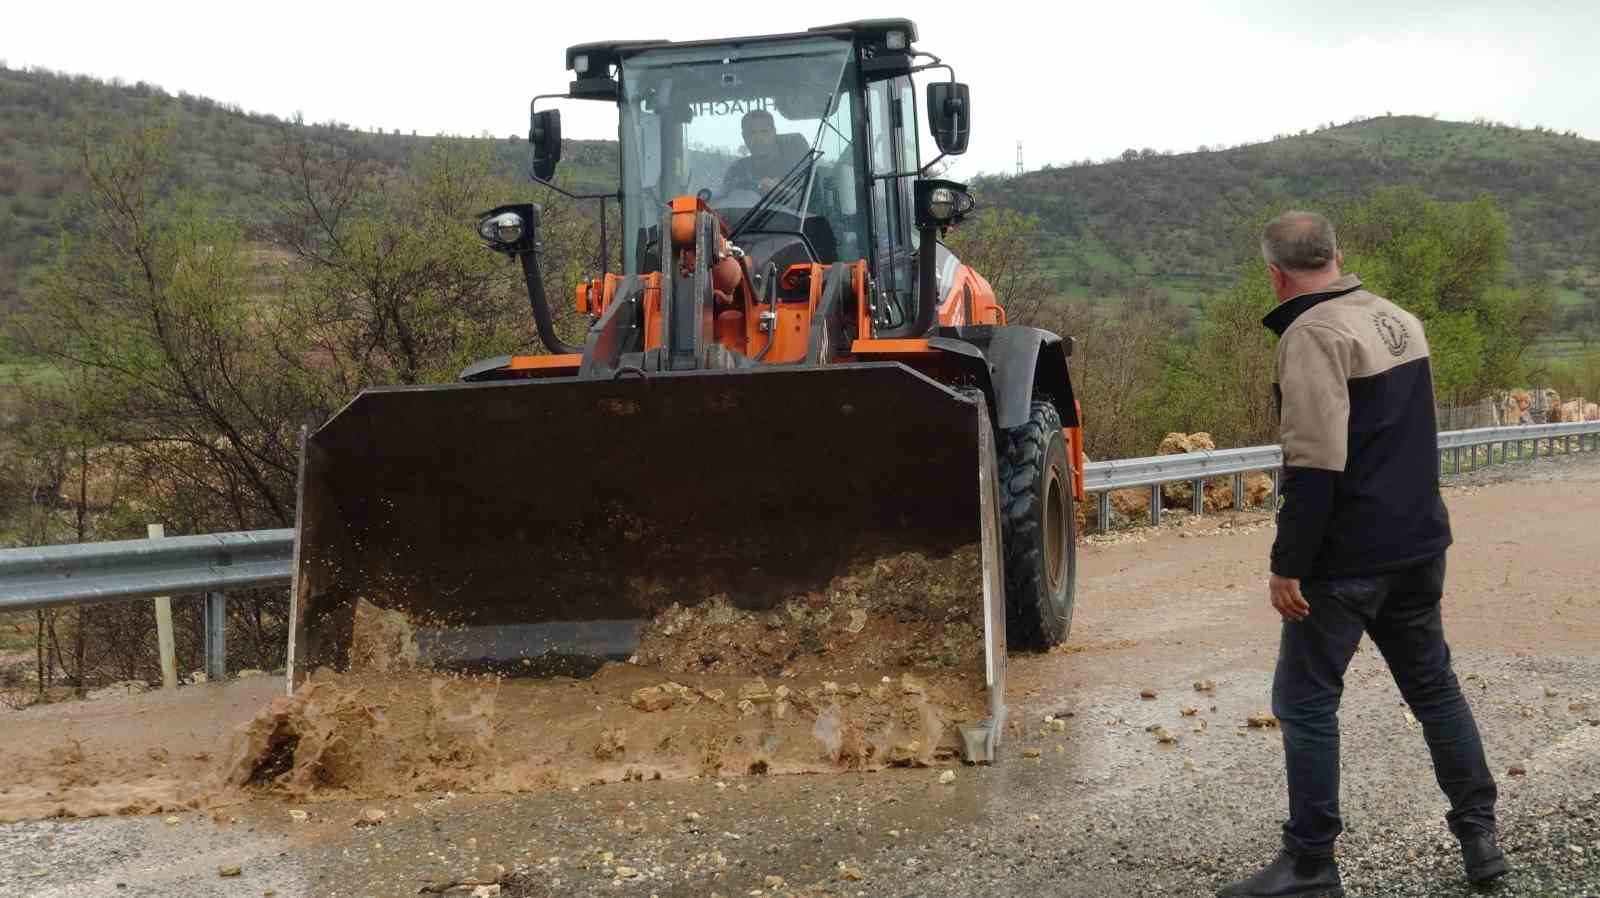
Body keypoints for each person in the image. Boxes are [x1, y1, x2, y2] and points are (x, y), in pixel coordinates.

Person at [1219, 211, 1505, 897]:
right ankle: (1481, 838)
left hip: (1349, 558)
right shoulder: (1398, 318)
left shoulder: (1312, 334)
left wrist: (1288, 562)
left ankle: (1312, 863)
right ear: (1337, 255)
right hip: (1418, 541)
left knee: (1304, 699)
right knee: (1434, 687)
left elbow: (1314, 463)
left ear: (1275, 273)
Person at [722, 109, 808, 195]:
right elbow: (723, 201)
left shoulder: (795, 168)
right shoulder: (737, 171)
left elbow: (808, 202)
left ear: (774, 132)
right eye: (752, 133)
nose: (759, 138)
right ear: (744, 136)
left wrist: (781, 192)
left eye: (764, 131)